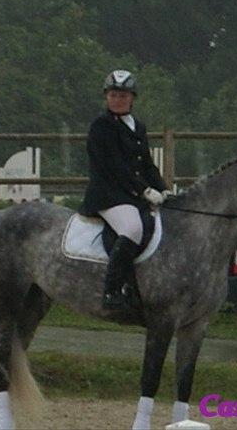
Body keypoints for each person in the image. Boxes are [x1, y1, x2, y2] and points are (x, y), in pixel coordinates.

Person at [79, 69, 170, 309]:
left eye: (123, 95)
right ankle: (111, 290)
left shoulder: (137, 127)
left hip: (130, 194)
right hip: (108, 195)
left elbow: (147, 164)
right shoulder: (100, 126)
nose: (117, 99)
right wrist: (144, 191)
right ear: (106, 97)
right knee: (132, 228)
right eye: (113, 95)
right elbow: (115, 167)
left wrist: (163, 188)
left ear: (132, 98)